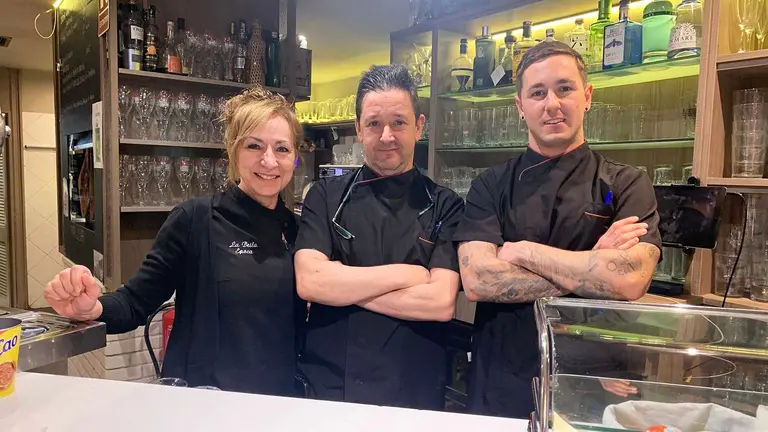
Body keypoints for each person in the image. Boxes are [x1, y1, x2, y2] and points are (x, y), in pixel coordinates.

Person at [43, 88, 304, 396]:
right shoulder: (195, 220)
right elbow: (134, 302)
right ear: (234, 151)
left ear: (294, 158)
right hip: (205, 401)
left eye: (282, 148)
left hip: (281, 403)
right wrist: (91, 308)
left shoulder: (300, 231)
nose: (269, 160)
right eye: (254, 145)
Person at [453, 42, 662, 419]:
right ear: (520, 106)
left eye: (564, 88)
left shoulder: (625, 183)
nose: (552, 104)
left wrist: (523, 252)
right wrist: (592, 266)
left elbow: (630, 279)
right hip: (502, 378)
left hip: (594, 379)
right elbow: (479, 280)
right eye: (538, 93)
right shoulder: (491, 185)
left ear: (587, 96)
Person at [294, 64, 464, 410]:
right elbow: (311, 282)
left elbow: (439, 302)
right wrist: (407, 274)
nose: (387, 136)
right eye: (374, 124)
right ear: (358, 129)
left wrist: (343, 287)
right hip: (330, 389)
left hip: (413, 390)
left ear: (419, 126)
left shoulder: (446, 205)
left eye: (398, 122)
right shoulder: (324, 196)